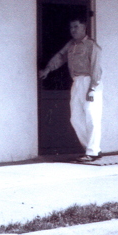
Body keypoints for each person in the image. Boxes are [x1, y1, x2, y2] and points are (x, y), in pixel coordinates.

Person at [38, 16, 103, 163]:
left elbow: (96, 68)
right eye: (71, 28)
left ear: (84, 27)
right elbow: (60, 57)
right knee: (75, 119)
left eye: (76, 27)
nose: (73, 30)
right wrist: (48, 69)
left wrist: (92, 88)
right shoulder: (71, 45)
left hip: (90, 81)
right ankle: (92, 149)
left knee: (92, 117)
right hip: (77, 82)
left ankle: (92, 152)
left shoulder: (92, 46)